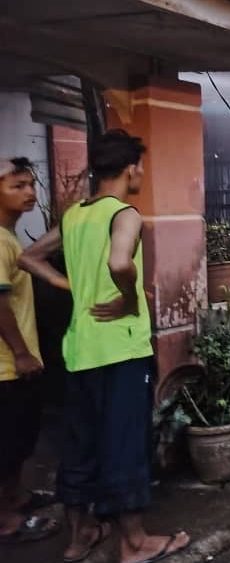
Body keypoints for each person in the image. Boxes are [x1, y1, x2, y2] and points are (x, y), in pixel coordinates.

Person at [19, 130, 190, 563]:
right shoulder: (125, 214)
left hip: (79, 352)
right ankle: (132, 544)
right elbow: (119, 262)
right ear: (131, 168)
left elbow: (27, 256)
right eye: (141, 166)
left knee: (81, 444)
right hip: (120, 350)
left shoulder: (76, 214)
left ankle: (80, 538)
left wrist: (68, 284)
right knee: (124, 442)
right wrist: (130, 298)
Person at [0, 157, 59, 544]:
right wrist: (21, 353)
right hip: (6, 367)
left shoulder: (9, 237)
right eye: (17, 185)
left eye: (30, 185)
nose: (29, 193)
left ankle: (17, 498)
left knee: (20, 440)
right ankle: (6, 520)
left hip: (14, 365)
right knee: (8, 444)